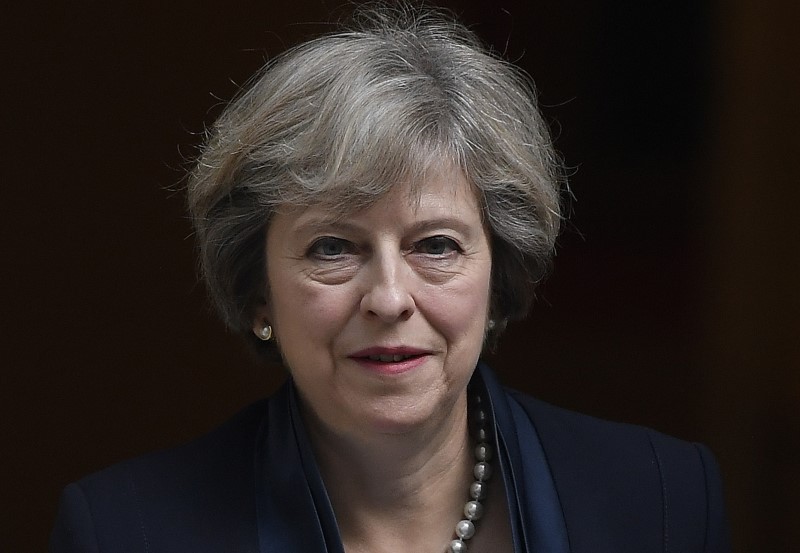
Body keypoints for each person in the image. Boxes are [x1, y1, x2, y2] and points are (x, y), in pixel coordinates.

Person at [50, 4, 730, 552]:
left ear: (500, 272)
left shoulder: (663, 500)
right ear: (259, 290)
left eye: (434, 244)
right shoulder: (125, 530)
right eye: (332, 248)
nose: (389, 298)